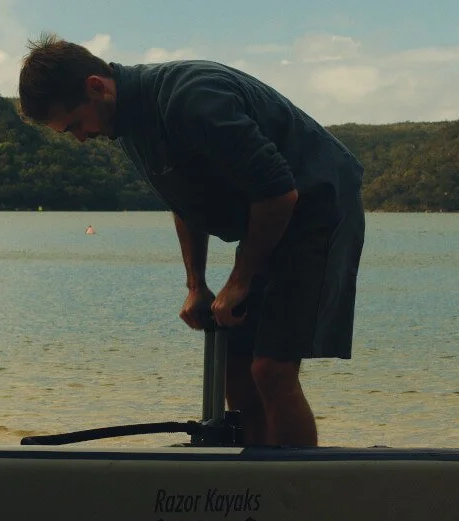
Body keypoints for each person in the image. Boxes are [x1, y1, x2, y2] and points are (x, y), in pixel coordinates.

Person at [18, 34, 365, 447]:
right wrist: (196, 284)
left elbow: (279, 191)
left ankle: (295, 483)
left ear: (97, 87)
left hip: (319, 208)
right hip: (268, 218)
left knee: (271, 369)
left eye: (76, 124)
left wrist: (239, 281)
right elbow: (184, 202)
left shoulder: (192, 101)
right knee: (236, 370)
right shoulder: (126, 124)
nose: (79, 137)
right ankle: (252, 477)